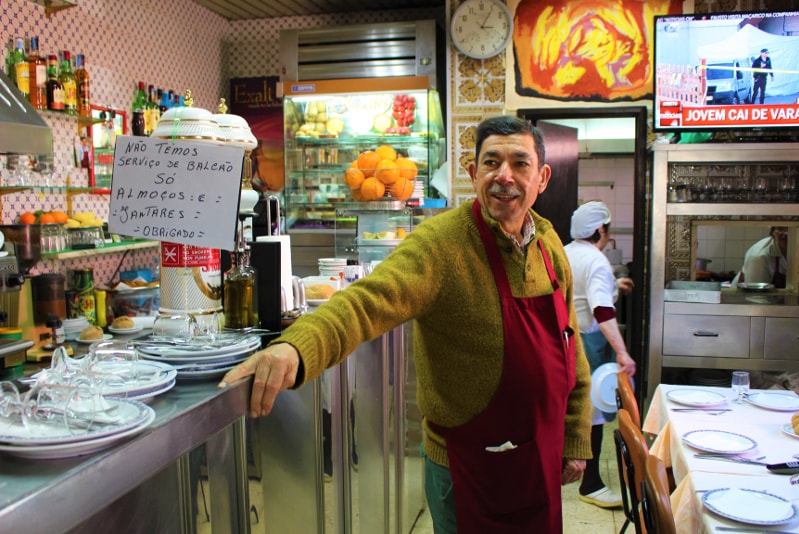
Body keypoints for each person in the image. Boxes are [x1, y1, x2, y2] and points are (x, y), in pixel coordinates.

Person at [219, 115, 592, 533]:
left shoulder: (549, 245)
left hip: (538, 458)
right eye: (491, 163)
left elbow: (569, 345)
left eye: (519, 164)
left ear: (541, 177)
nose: (504, 176)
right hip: (466, 469)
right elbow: (366, 302)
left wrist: (575, 435)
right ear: (473, 173)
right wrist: (294, 346)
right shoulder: (442, 245)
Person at [564, 201, 636, 509]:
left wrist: (614, 285)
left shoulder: (567, 252)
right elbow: (601, 310)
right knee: (592, 415)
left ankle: (570, 471)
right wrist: (623, 352)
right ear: (600, 230)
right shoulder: (596, 262)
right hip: (588, 343)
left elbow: (581, 292)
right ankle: (590, 484)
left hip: (566, 338)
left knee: (573, 409)